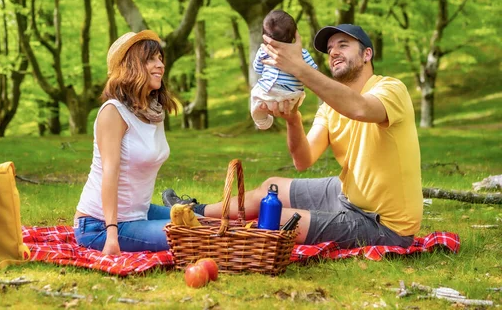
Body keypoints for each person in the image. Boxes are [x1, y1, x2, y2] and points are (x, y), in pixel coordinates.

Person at [163, 24, 422, 249]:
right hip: (347, 194)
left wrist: (298, 68)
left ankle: (201, 233)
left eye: (343, 45)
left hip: (384, 226)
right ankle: (193, 211)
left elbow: (359, 108)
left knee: (273, 218)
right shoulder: (331, 105)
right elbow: (303, 160)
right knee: (270, 188)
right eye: (330, 48)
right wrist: (293, 120)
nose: (333, 52)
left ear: (367, 54)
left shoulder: (390, 89)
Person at [74, 30, 177, 255]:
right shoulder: (113, 112)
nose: (160, 65)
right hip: (99, 225)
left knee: (202, 224)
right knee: (189, 235)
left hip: (138, 214)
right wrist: (112, 236)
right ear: (132, 66)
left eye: (160, 58)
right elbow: (110, 172)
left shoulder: (153, 111)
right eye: (151, 59)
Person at [251, 10, 318, 130]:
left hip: (267, 97)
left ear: (265, 36)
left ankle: (262, 122)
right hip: (291, 100)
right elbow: (313, 72)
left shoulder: (264, 51)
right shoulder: (302, 53)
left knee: (255, 96)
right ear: (294, 36)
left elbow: (257, 68)